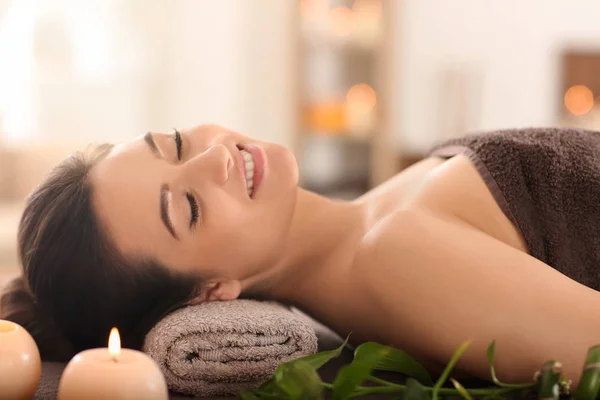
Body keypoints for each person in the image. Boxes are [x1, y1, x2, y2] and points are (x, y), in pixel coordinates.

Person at [2, 124, 600, 389]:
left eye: (177, 144)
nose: (216, 158)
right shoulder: (393, 259)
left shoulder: (372, 213)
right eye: (188, 209)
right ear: (209, 292)